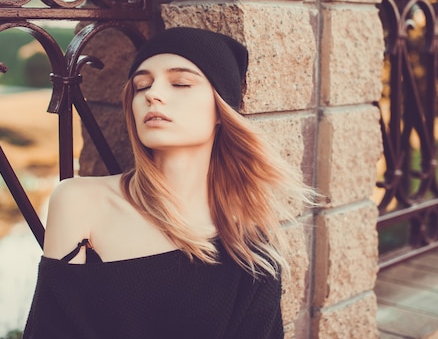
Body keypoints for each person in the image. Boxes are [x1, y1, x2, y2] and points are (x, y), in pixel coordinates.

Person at [22, 27, 315, 339]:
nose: (152, 94)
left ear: (221, 110)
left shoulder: (251, 250)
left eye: (181, 83)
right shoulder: (79, 202)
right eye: (140, 85)